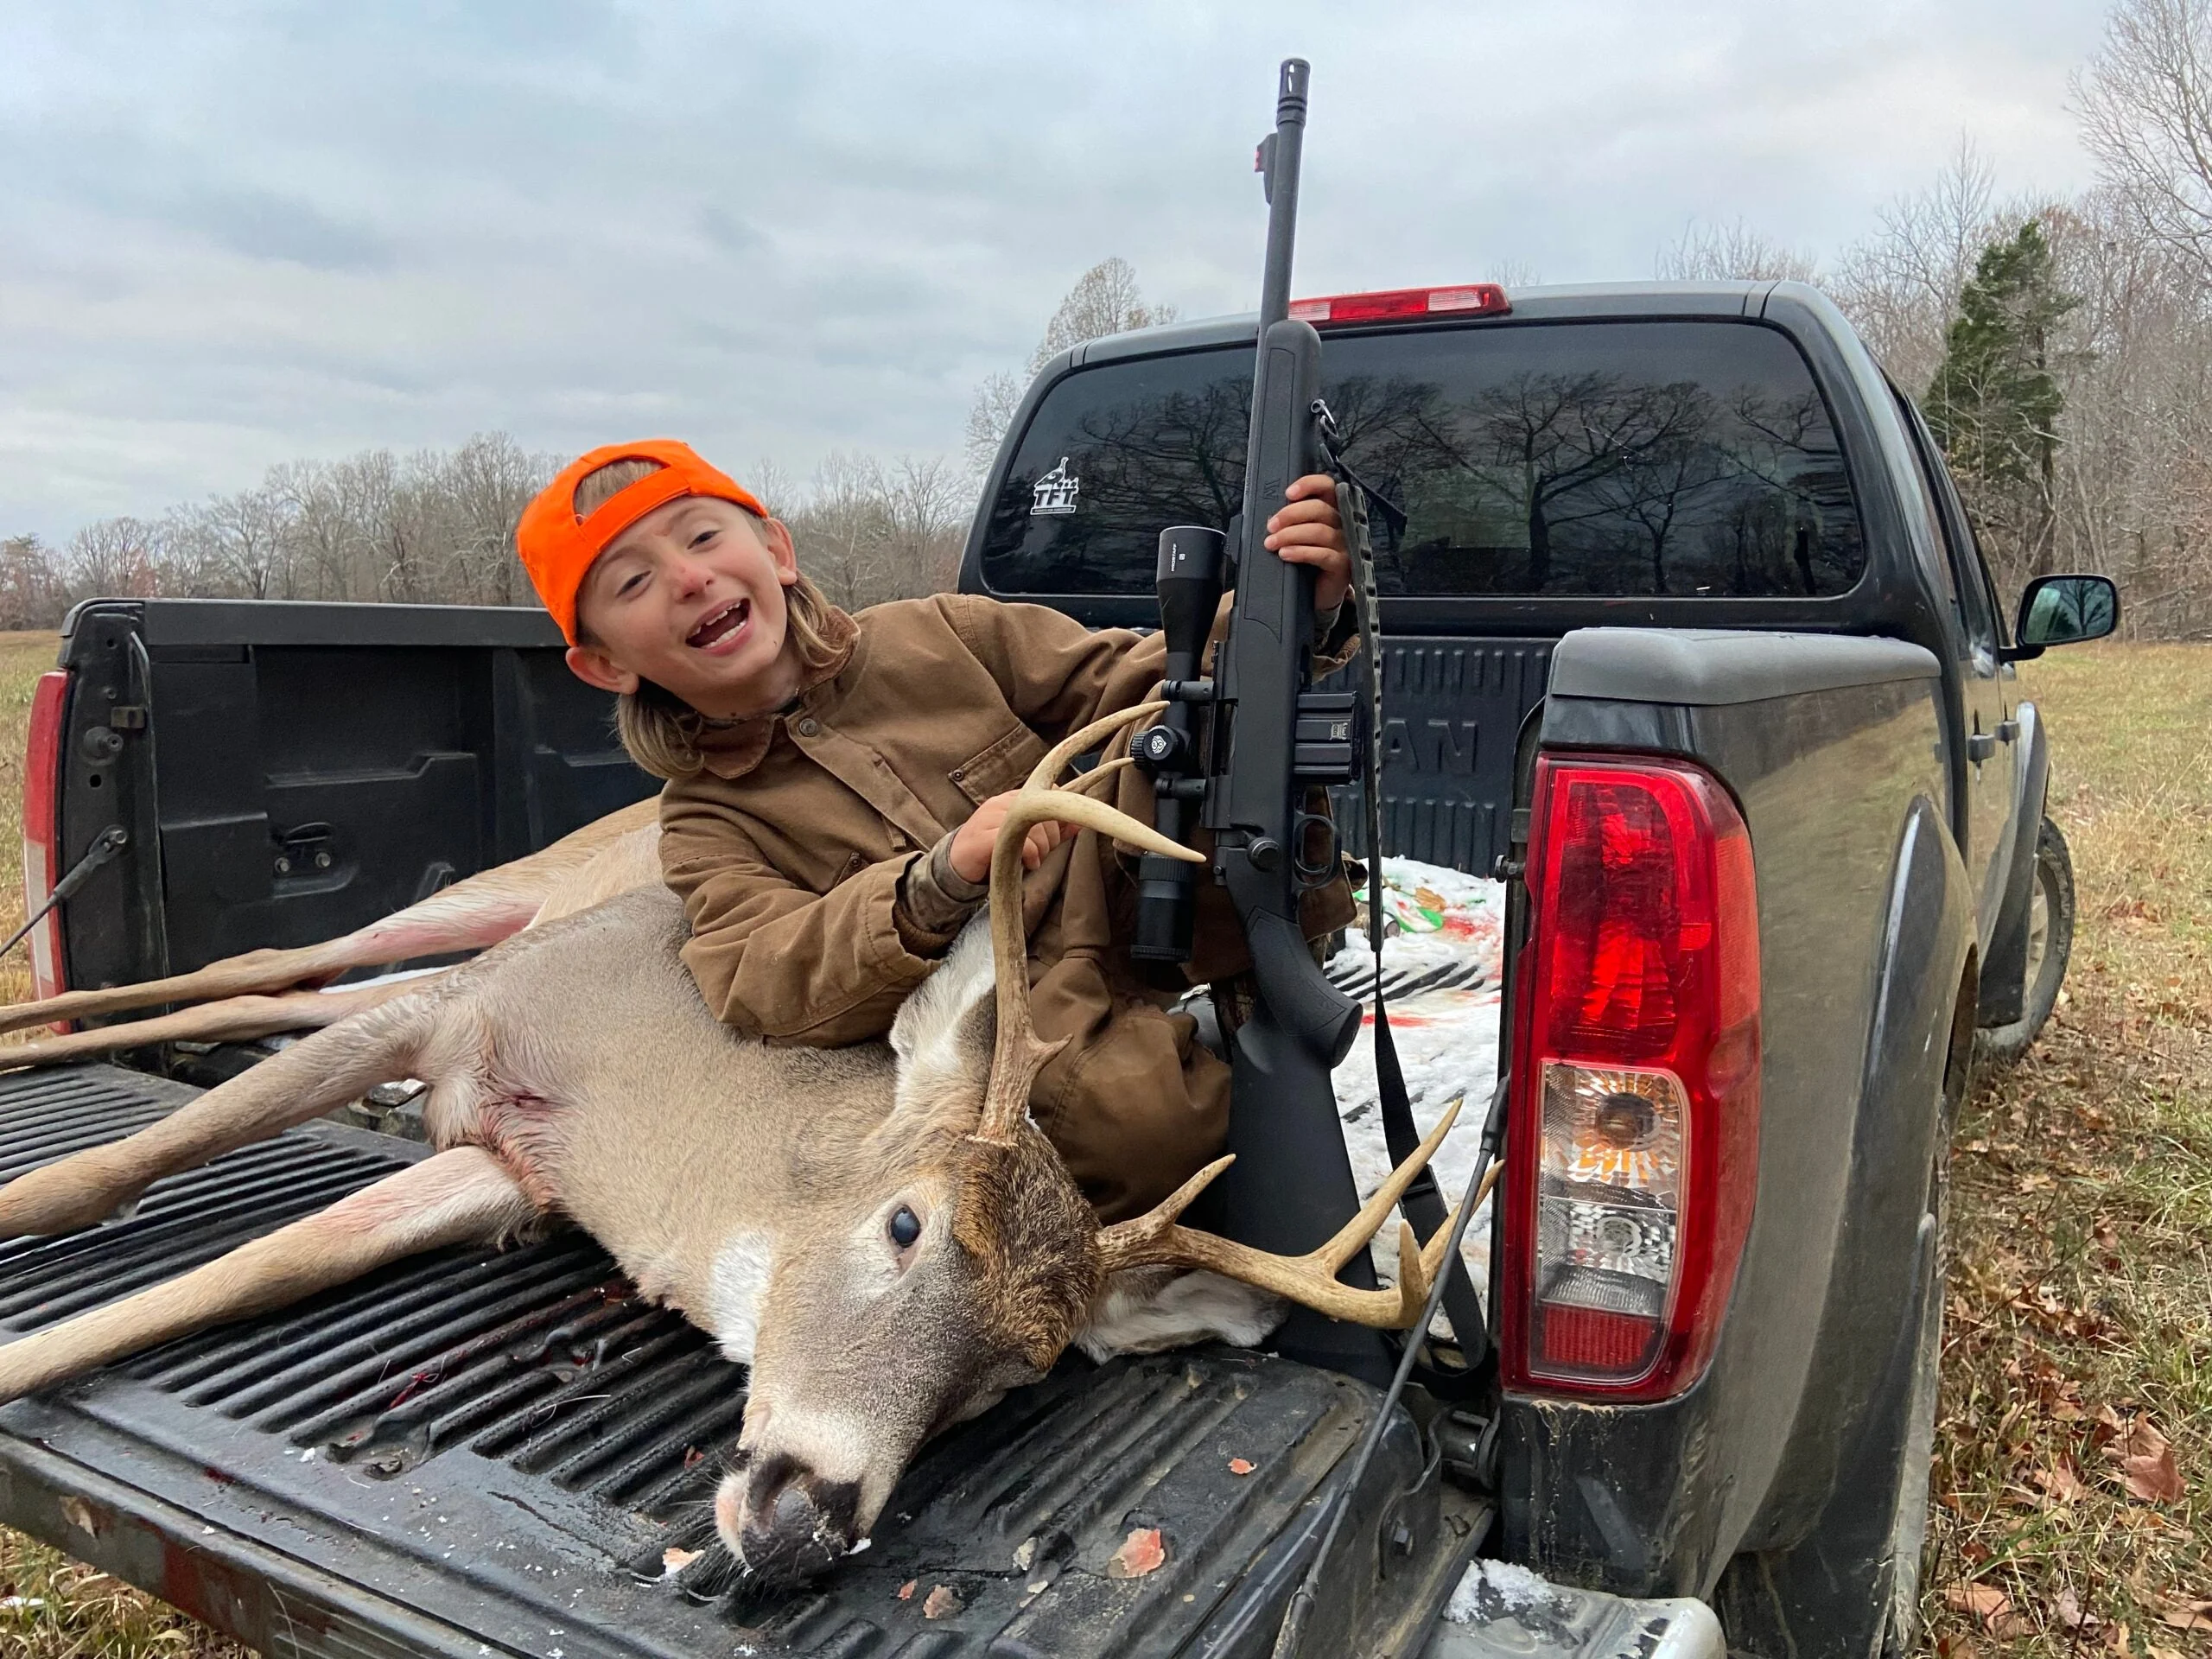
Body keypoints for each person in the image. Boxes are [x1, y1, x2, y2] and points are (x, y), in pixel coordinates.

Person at [515, 439, 1357, 1221]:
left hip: (1117, 905)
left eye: (701, 537)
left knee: (1185, 735)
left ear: (774, 551)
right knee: (1133, 1128)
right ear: (606, 664)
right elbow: (761, 975)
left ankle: (1266, 985)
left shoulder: (939, 634)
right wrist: (938, 878)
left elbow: (1132, 676)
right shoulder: (705, 822)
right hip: (1001, 1006)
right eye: (632, 582)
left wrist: (1291, 616)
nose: (688, 579)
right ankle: (1205, 1098)